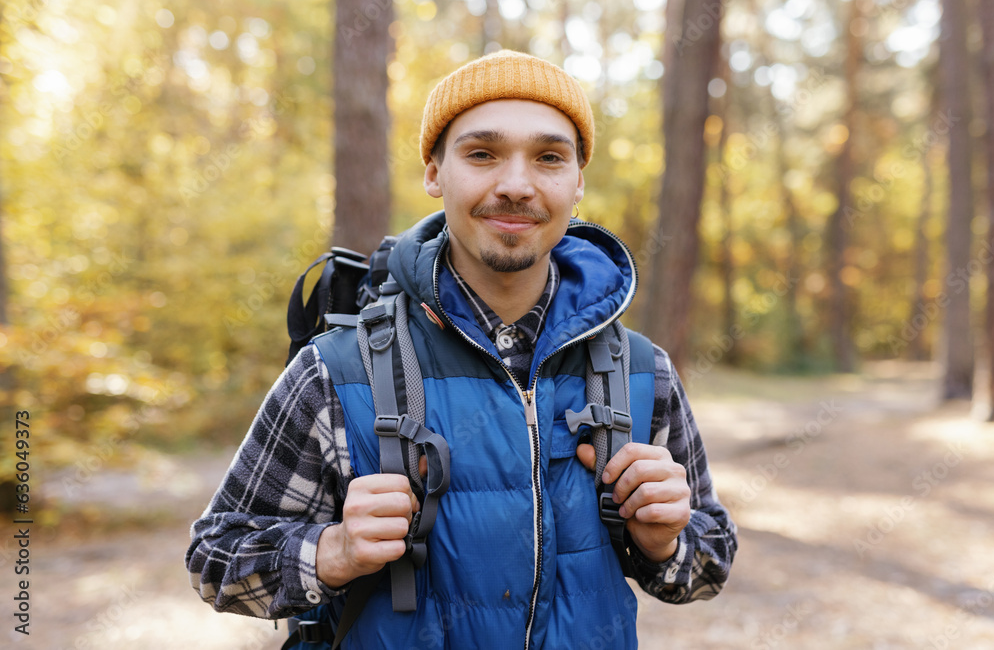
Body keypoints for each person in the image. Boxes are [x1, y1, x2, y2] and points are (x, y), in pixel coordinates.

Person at [186, 49, 737, 649]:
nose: (516, 185)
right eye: (482, 154)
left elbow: (708, 563)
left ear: (577, 181)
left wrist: (664, 541)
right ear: (434, 172)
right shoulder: (336, 370)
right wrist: (333, 552)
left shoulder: (641, 371)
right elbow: (215, 560)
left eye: (549, 158)